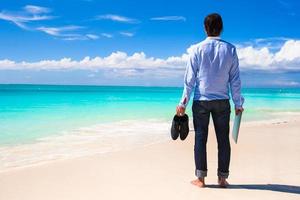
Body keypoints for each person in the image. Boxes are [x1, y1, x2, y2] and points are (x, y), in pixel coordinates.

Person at [176, 13, 244, 188]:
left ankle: (201, 179)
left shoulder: (196, 49)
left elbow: (189, 80)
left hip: (201, 101)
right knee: (223, 141)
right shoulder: (231, 49)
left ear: (205, 28)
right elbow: (234, 79)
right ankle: (222, 178)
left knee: (200, 139)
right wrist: (238, 103)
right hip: (222, 101)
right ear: (221, 28)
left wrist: (183, 102)